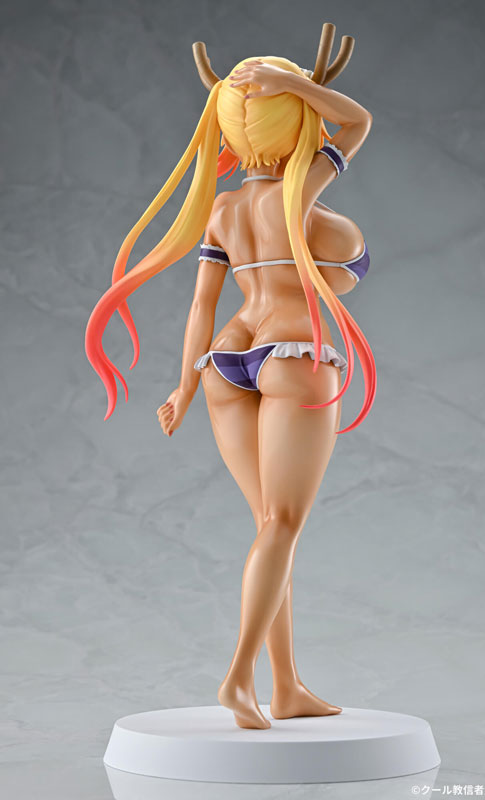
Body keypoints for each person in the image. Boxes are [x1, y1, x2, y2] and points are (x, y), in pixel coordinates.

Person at [85, 24, 375, 730]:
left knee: (269, 528)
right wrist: (294, 84)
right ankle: (238, 678)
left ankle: (287, 685)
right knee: (281, 525)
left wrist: (185, 386)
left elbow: (201, 307)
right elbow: (358, 121)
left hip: (224, 359)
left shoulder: (222, 208)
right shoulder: (298, 191)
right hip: (291, 355)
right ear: (294, 123)